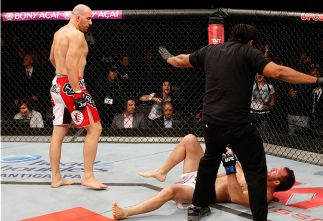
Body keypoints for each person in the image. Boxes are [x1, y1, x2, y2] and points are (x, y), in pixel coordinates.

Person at [158, 23, 322, 221]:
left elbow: (182, 61)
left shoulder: (211, 50)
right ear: (251, 41)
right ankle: (259, 218)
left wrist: (168, 58)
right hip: (238, 124)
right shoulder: (249, 52)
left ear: (232, 36)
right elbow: (279, 72)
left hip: (211, 122)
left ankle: (197, 208)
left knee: (209, 162)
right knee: (256, 170)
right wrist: (316, 81)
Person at [111, 134, 295, 220]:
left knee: (170, 191)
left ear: (277, 182)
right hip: (205, 176)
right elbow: (238, 170)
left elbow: (237, 197)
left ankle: (126, 212)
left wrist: (230, 168)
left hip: (202, 191)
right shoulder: (258, 175)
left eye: (277, 171)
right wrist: (229, 151)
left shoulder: (264, 194)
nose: (274, 168)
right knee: (190, 139)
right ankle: (162, 171)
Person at [49, 4, 107, 190]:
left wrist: (62, 78)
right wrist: (77, 92)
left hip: (57, 84)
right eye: (88, 18)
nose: (91, 22)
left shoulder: (59, 33)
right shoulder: (76, 35)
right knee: (95, 128)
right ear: (77, 17)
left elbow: (52, 58)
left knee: (59, 132)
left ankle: (56, 177)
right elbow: (71, 65)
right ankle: (88, 176)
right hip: (72, 86)